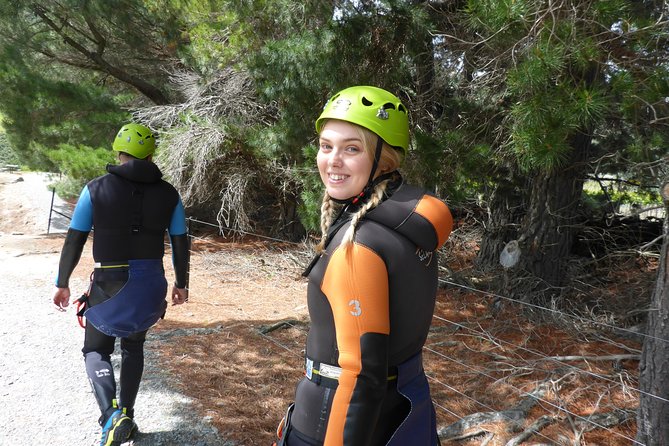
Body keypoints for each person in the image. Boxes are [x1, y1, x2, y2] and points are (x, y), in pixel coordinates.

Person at [274, 86, 453, 446]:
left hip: (336, 421)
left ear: (383, 160)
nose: (332, 160)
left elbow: (359, 375)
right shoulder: (408, 223)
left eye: (351, 148)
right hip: (405, 410)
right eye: (326, 146)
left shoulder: (359, 245)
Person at [52, 123, 190, 446]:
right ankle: (127, 412)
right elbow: (181, 241)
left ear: (118, 152)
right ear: (151, 156)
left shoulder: (94, 189)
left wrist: (62, 282)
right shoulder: (170, 195)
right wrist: (182, 284)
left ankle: (112, 417)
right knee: (133, 346)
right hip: (151, 285)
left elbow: (74, 240)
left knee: (95, 349)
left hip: (110, 283)